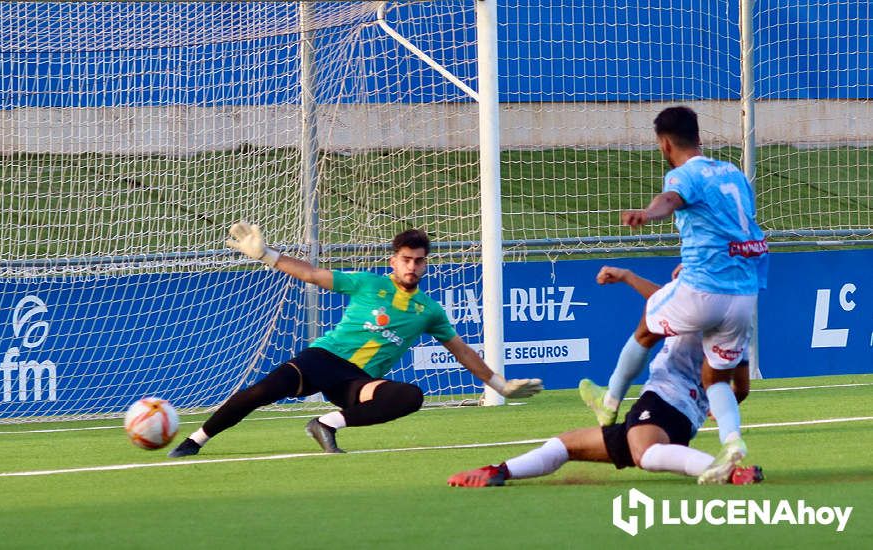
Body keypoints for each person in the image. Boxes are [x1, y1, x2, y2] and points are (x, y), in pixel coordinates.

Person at [169, 222, 543, 457]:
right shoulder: (368, 283)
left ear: (425, 264)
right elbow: (313, 274)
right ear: (393, 261)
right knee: (262, 391)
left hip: (357, 382)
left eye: (419, 260)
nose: (412, 266)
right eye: (406, 259)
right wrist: (267, 254)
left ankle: (327, 423)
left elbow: (461, 351)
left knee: (410, 397)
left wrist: (500, 386)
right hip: (324, 358)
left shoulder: (429, 310)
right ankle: (196, 441)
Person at [579, 106, 768, 484]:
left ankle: (610, 401)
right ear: (698, 136)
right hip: (745, 293)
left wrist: (648, 214)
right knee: (715, 379)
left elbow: (670, 200)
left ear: (665, 144)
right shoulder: (733, 172)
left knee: (648, 326)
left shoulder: (683, 174)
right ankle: (732, 441)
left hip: (703, 287)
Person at [448, 267, 762, 488]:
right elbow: (743, 387)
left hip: (663, 400)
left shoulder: (690, 306)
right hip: (683, 418)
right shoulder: (736, 328)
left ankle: (725, 470)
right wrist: (718, 402)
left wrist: (629, 277)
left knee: (646, 454)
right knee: (566, 443)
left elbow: (661, 302)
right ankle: (499, 471)